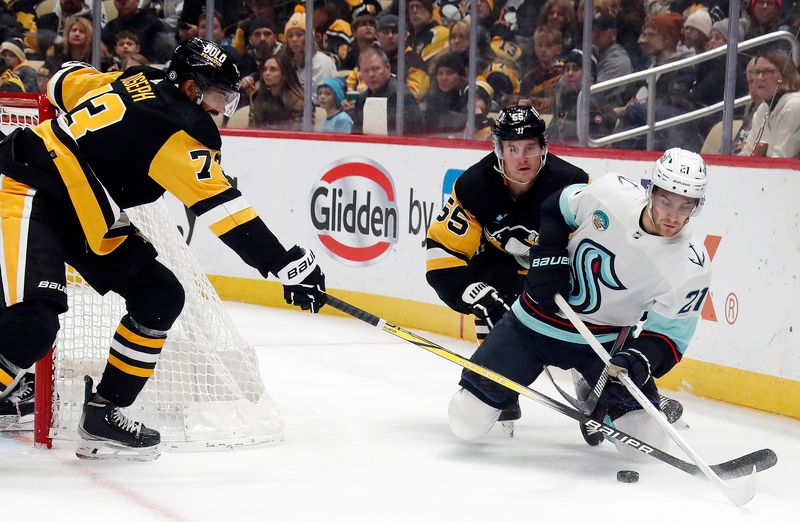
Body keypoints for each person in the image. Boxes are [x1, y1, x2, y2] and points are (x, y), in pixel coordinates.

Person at [0, 38, 326, 460]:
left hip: (83, 210)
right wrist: (286, 264)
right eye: (216, 95)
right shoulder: (179, 126)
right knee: (32, 324)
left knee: (159, 295)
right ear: (190, 87)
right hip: (29, 189)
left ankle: (104, 412)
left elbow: (63, 79)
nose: (221, 107)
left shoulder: (137, 79)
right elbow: (226, 210)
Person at [447, 147, 710, 460]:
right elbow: (556, 208)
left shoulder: (692, 265)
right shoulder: (611, 192)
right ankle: (511, 383)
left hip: (601, 344)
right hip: (531, 325)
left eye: (685, 205)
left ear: (697, 205)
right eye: (666, 200)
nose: (672, 215)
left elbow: (669, 337)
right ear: (651, 190)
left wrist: (638, 361)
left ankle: (588, 385)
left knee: (645, 444)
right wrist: (549, 255)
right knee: (466, 422)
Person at [425, 106, 589, 430]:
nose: (522, 158)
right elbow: (441, 252)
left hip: (558, 270)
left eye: (530, 147)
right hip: (502, 269)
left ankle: (593, 385)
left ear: (544, 147)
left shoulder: (573, 185)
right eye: (512, 149)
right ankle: (500, 387)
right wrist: (468, 293)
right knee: (490, 300)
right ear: (498, 151)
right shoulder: (474, 186)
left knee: (588, 304)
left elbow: (598, 251)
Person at [736, 50, 800, 157]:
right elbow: (748, 150)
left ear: (785, 74)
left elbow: (781, 158)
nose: (759, 78)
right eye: (757, 72)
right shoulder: (763, 108)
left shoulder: (795, 105)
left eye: (767, 71)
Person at [247, 52, 304, 130]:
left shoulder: (299, 101)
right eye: (265, 69)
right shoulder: (257, 97)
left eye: (273, 69)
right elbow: (252, 129)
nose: (267, 73)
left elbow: (298, 134)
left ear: (284, 74)